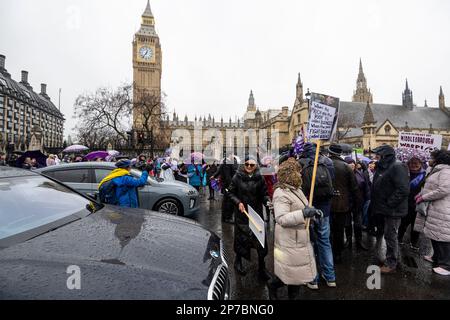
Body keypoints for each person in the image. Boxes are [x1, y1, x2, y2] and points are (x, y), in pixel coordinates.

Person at [267, 158, 322, 300]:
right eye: (299, 172)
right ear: (291, 174)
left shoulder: (296, 189)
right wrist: (303, 214)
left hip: (299, 238)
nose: (301, 175)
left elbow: (304, 207)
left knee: (295, 276)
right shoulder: (281, 193)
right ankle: (272, 286)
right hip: (290, 240)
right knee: (290, 273)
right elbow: (281, 218)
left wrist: (313, 213)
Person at [298, 142, 337, 289]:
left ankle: (313, 279)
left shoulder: (300, 163)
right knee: (324, 241)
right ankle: (330, 277)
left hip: (308, 209)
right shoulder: (328, 162)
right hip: (325, 210)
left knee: (309, 243)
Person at [228, 155, 271, 280]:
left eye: (252, 165)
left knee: (260, 241)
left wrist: (267, 201)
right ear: (244, 164)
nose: (249, 167)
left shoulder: (260, 178)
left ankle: (262, 268)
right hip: (242, 214)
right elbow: (230, 192)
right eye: (247, 164)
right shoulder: (237, 177)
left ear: (256, 165)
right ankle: (238, 262)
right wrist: (238, 202)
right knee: (241, 239)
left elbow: (264, 194)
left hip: (256, 214)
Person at [370, 145, 409, 274]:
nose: (376, 157)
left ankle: (391, 263)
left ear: (386, 156)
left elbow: (403, 189)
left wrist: (390, 203)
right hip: (383, 209)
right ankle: (388, 259)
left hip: (393, 210)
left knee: (391, 236)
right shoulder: (382, 167)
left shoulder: (397, 166)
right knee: (386, 235)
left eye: (378, 155)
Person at [415, 150, 450, 276]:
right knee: (435, 235)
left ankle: (446, 265)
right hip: (435, 209)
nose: (429, 159)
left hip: (442, 210)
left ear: (438, 159)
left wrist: (425, 197)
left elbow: (444, 189)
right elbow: (430, 187)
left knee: (442, 237)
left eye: (432, 157)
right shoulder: (437, 170)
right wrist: (421, 194)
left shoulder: (446, 171)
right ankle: (436, 258)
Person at [328, 144, 360, 264]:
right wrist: (357, 204)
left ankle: (328, 253)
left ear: (330, 152)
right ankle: (338, 254)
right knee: (339, 231)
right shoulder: (346, 167)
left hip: (327, 205)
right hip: (342, 205)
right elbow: (354, 187)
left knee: (327, 230)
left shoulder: (324, 164)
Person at [398, 157, 426, 251]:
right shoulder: (404, 173)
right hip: (405, 203)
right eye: (412, 163)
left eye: (416, 163)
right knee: (403, 223)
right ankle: (399, 239)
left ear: (420, 164)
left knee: (416, 225)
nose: (414, 165)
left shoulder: (425, 175)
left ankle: (414, 242)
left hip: (418, 204)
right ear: (408, 164)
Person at [344, 158, 369, 251]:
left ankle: (359, 241)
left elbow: (365, 186)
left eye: (353, 163)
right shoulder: (344, 174)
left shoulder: (360, 173)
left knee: (358, 223)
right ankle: (349, 240)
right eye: (349, 163)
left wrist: (366, 198)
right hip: (347, 202)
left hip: (358, 202)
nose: (352, 164)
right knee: (347, 223)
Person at [212, 155, 239, 223]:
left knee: (226, 201)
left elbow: (219, 170)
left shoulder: (225, 162)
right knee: (228, 202)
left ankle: (225, 218)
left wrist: (214, 175)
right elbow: (228, 177)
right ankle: (227, 218)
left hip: (226, 185)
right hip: (228, 186)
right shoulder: (227, 163)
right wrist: (232, 186)